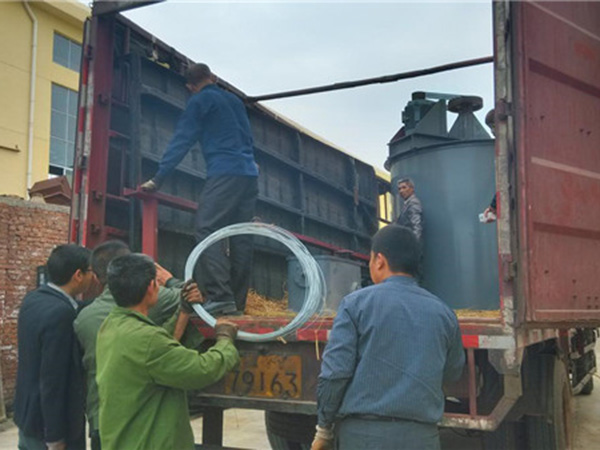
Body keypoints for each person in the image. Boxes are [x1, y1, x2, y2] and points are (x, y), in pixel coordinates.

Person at [311, 225, 465, 450]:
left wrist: (324, 428)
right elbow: (452, 372)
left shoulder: (355, 305)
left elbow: (335, 374)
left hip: (362, 437)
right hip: (422, 438)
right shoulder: (444, 313)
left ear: (379, 261)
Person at [140, 63, 259, 316]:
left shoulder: (199, 101)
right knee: (241, 236)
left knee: (207, 228)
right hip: (249, 174)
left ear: (190, 87)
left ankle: (221, 296)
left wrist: (159, 177)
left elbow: (182, 139)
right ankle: (237, 303)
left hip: (224, 171)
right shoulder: (234, 101)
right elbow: (248, 139)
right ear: (212, 77)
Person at [96, 253, 240, 450]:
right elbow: (202, 370)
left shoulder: (111, 326)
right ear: (151, 286)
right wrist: (225, 340)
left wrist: (184, 309)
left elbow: (161, 344)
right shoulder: (147, 340)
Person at [73, 240, 204, 450]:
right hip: (142, 422)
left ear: (96, 277)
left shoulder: (83, 319)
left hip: (101, 418)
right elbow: (191, 295)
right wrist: (170, 280)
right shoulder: (155, 300)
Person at [14, 244, 95, 450]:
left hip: (28, 419)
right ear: (78, 275)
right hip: (50, 428)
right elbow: (53, 380)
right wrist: (55, 437)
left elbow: (75, 307)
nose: (93, 277)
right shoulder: (61, 314)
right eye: (90, 271)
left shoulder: (34, 299)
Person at [396, 178, 423, 242]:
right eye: (399, 189)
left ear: (411, 189)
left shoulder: (413, 203)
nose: (401, 191)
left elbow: (417, 226)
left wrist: (413, 244)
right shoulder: (407, 204)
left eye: (404, 187)